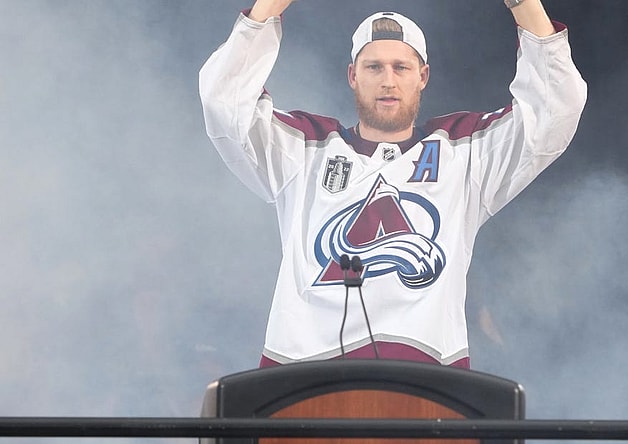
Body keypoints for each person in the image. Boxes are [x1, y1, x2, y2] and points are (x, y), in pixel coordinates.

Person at [199, 0, 587, 369]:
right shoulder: (305, 148)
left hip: (427, 389)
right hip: (302, 384)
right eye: (374, 67)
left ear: (423, 77)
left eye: (401, 67)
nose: (388, 81)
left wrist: (523, 4)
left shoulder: (462, 152)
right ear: (353, 76)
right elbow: (225, 102)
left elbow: (554, 109)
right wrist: (270, 7)